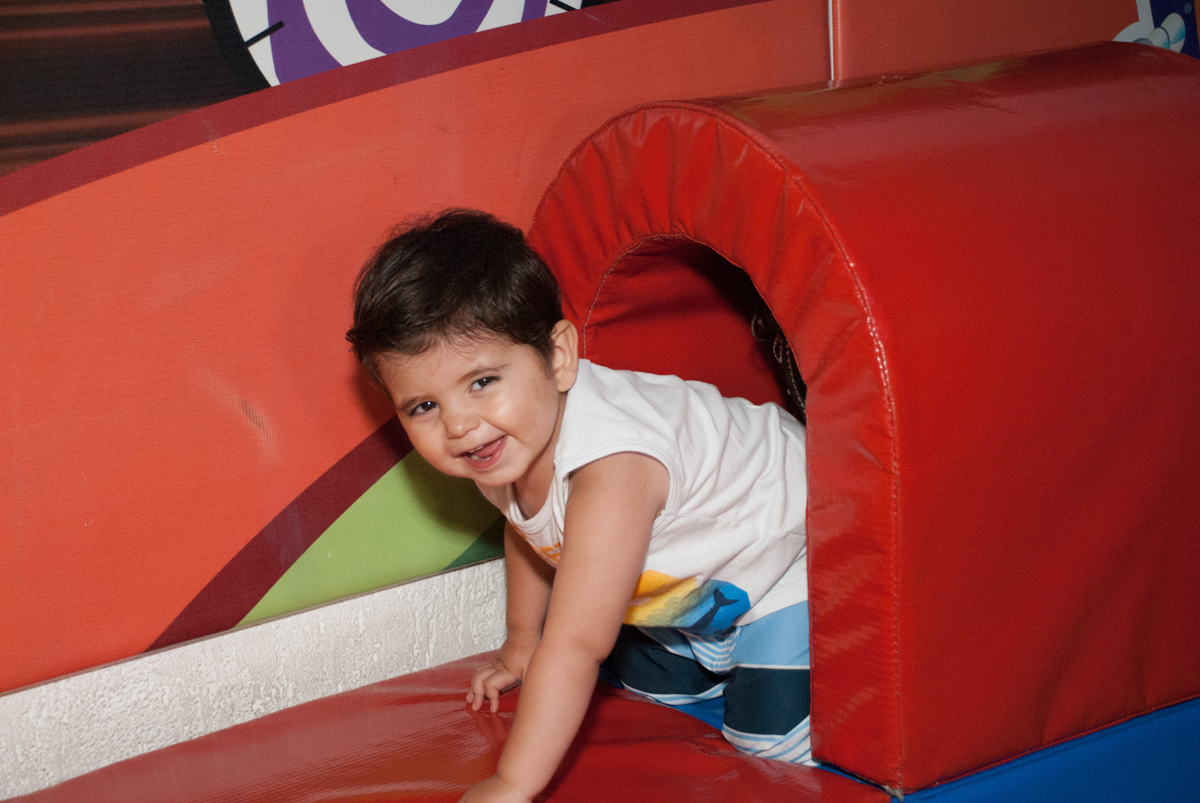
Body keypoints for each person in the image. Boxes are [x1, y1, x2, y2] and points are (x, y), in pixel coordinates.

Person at [346, 209, 811, 802]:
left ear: (558, 357)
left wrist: (511, 784)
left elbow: (574, 644)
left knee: (768, 750)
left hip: (791, 559)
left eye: (482, 381)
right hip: (699, 586)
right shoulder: (503, 442)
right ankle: (712, 656)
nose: (459, 423)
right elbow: (526, 525)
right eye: (423, 407)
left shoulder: (612, 470)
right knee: (649, 700)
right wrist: (520, 639)